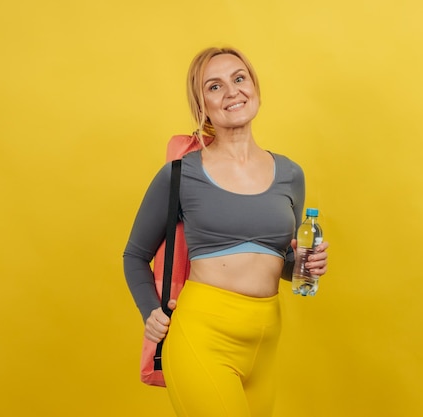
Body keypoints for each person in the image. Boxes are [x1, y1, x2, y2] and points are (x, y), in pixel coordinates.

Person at [123, 46, 329, 417]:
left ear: (255, 89)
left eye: (239, 78)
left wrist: (302, 263)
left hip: (265, 343)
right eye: (214, 87)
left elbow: (280, 259)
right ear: (201, 106)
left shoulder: (290, 174)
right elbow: (135, 255)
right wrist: (149, 311)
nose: (232, 91)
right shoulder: (181, 173)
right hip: (202, 336)